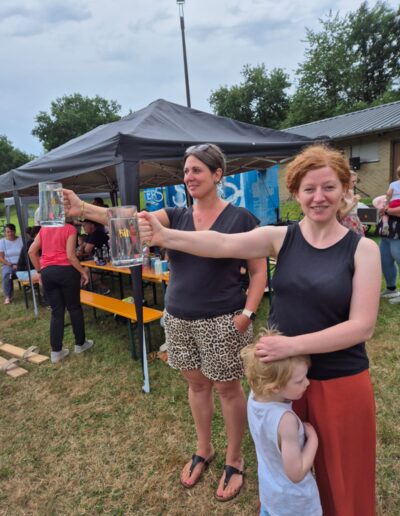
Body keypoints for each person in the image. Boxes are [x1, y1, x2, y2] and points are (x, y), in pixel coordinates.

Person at [138, 144, 381, 516]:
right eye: (309, 188)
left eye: (329, 187)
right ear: (295, 192)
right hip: (281, 381)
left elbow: (361, 327)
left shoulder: (363, 250)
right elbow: (221, 243)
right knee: (284, 472)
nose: (318, 197)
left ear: (345, 189)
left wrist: (291, 346)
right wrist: (165, 237)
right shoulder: (281, 238)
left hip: (339, 380)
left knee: (344, 481)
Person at [62, 143, 267, 502]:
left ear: (218, 174)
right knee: (197, 386)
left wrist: (246, 315)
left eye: (197, 170)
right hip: (179, 317)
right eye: (186, 171)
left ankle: (235, 459)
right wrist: (83, 209)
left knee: (228, 390)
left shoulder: (241, 218)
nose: (189, 177)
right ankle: (204, 449)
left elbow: (259, 271)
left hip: (223, 319)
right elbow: (128, 220)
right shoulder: (175, 215)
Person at [241, 328, 321, 516]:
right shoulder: (286, 421)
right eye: (299, 381)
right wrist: (313, 440)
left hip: (270, 496)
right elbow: (296, 473)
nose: (307, 383)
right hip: (295, 504)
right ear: (275, 387)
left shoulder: (254, 398)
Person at [29, 219, 94, 364]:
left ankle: (56, 352)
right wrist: (82, 271)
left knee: (56, 311)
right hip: (66, 271)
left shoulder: (44, 229)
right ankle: (80, 344)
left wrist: (40, 271)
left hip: (47, 272)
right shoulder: (69, 228)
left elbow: (31, 252)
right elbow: (70, 255)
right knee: (74, 308)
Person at [374, 192, 400, 303]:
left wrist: (386, 210)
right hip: (387, 235)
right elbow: (379, 203)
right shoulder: (394, 191)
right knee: (385, 262)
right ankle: (391, 289)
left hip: (397, 235)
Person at [0, 223, 23, 304]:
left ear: (15, 231)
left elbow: (26, 253)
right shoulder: (2, 242)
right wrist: (11, 265)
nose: (10, 233)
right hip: (8, 264)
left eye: (11, 231)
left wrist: (19, 264)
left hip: (21, 263)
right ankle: (8, 296)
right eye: (7, 232)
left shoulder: (21, 239)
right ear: (5, 232)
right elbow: (1, 258)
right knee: (6, 274)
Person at [338, 170, 364, 235]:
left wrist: (359, 224)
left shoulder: (351, 191)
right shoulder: (341, 194)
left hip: (355, 223)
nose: (355, 183)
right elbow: (340, 215)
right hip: (345, 224)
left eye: (356, 181)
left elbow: (353, 212)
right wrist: (354, 203)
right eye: (353, 181)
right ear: (346, 181)